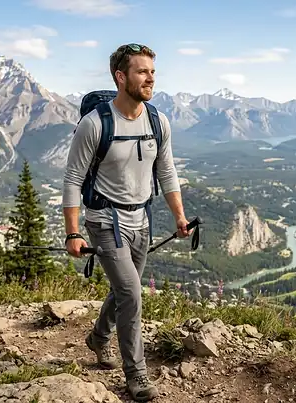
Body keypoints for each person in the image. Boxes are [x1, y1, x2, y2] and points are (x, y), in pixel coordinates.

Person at [61, 43, 191, 402]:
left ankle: (98, 338)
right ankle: (136, 375)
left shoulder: (157, 121)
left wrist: (179, 216)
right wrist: (73, 232)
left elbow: (166, 171)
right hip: (105, 220)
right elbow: (73, 179)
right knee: (132, 293)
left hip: (142, 221)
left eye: (152, 71)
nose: (150, 78)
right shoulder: (95, 124)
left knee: (124, 290)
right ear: (121, 77)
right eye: (142, 71)